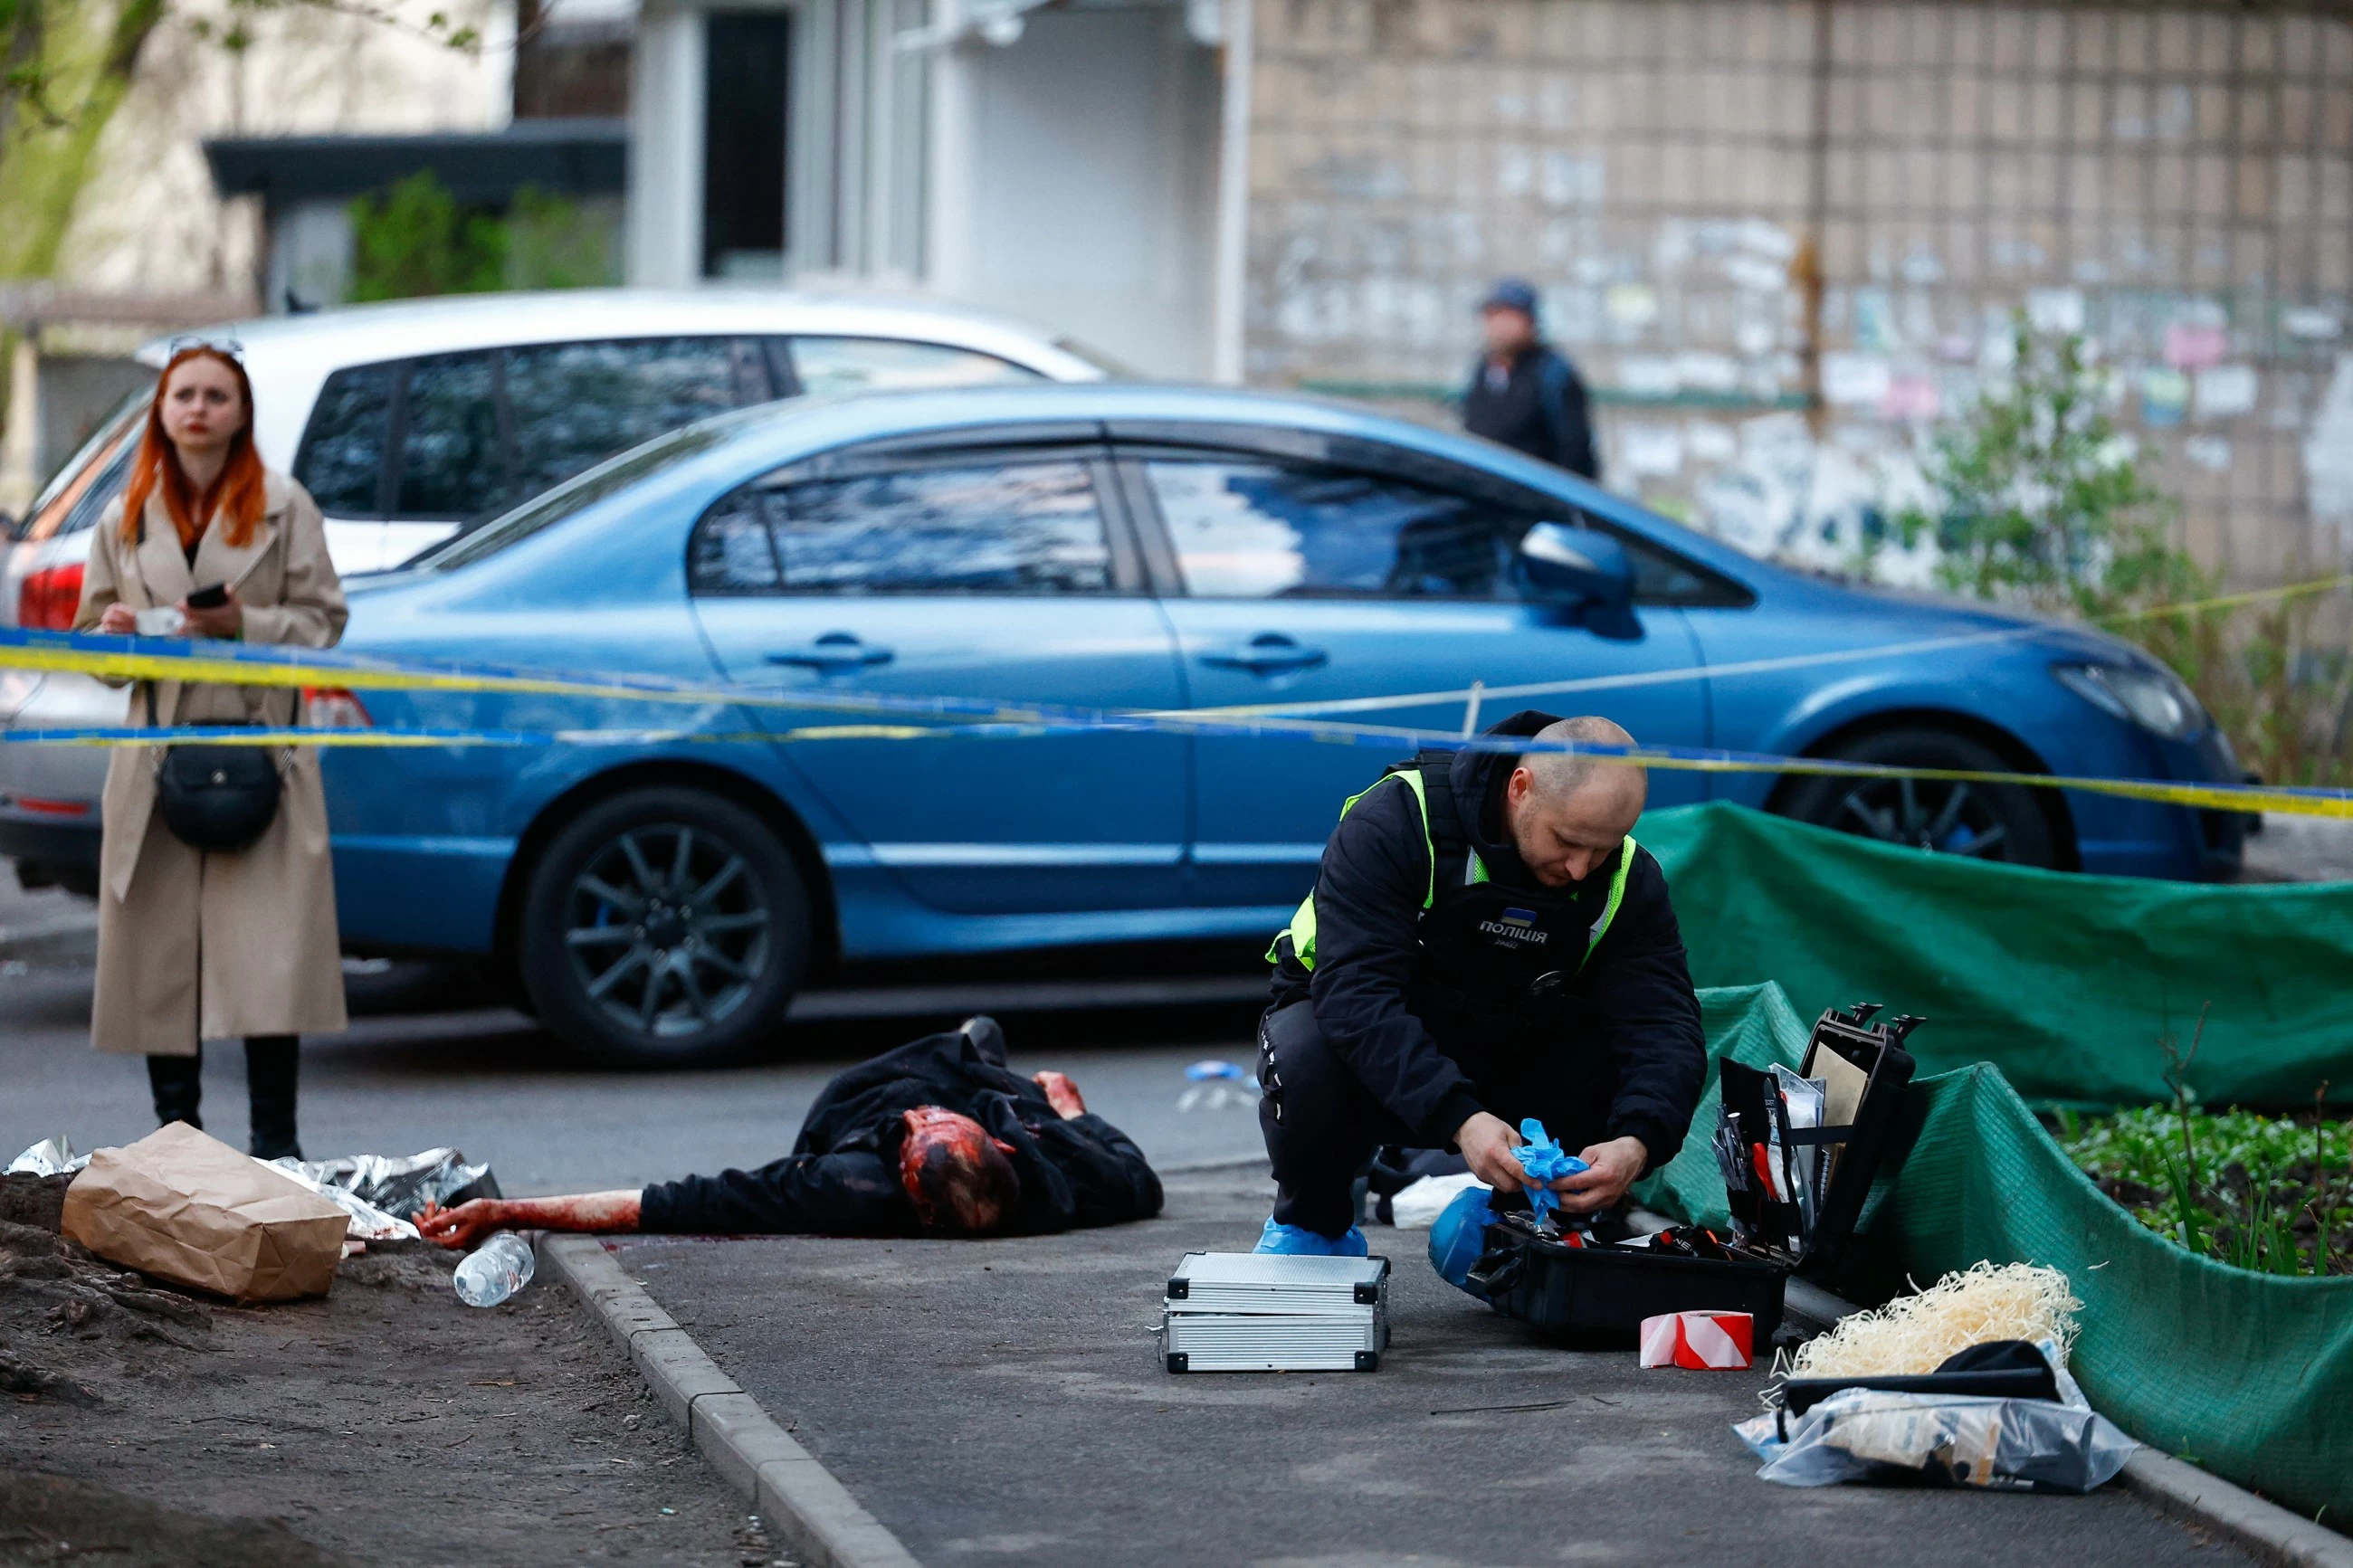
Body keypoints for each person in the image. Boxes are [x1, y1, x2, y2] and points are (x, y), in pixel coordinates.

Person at [1253, 712, 1705, 1255]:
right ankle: (1314, 1224)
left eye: (1604, 847)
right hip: (1372, 1048)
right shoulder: (1398, 820)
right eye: (1567, 840)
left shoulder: (1630, 880)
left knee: (1613, 1052)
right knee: (1308, 1059)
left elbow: (1663, 1024)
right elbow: (1358, 997)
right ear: (1521, 788)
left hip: (1508, 1049)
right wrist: (1461, 1119)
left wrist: (1637, 1140)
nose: (1583, 869)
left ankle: (1543, 1228)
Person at [73, 342, 349, 1161]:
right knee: (163, 968)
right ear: (162, 409)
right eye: (183, 394)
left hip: (264, 754)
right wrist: (116, 635)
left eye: (216, 395)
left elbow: (325, 620)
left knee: (270, 966)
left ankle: (280, 1158)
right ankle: (179, 1154)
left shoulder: (285, 504)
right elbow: (94, 648)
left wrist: (243, 625)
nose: (197, 408)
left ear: (241, 412)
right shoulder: (124, 515)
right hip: (157, 760)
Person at [418, 1018, 1163, 1246]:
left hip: (859, 1092)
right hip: (979, 1080)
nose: (917, 1117)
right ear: (998, 1145)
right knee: (983, 1045)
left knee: (966, 1054)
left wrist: (504, 1210)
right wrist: (1070, 1110)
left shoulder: (850, 1187)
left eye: (917, 1133)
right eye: (935, 1122)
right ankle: (974, 1053)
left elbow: (675, 1202)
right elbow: (1138, 1175)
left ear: (905, 1181)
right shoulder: (1073, 1171)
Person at [1460, 278, 1600, 481]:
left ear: (1530, 322)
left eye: (1508, 316)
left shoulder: (1552, 372)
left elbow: (1574, 449)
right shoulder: (1484, 369)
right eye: (1493, 316)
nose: (1499, 327)